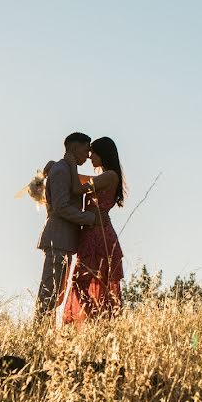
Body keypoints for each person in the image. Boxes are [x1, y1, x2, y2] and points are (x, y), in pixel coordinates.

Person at [62, 136, 125, 325]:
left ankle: (96, 320)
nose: (90, 157)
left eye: (93, 153)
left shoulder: (110, 176)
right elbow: (81, 180)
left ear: (103, 155)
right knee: (84, 283)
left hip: (99, 235)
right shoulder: (105, 177)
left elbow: (76, 188)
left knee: (83, 283)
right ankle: (96, 320)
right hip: (93, 233)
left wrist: (71, 163)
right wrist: (62, 168)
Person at [35, 132, 97, 317]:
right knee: (49, 293)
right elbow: (61, 207)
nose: (88, 155)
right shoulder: (61, 170)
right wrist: (89, 219)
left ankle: (46, 335)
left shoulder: (65, 168)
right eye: (86, 150)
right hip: (58, 239)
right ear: (74, 147)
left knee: (55, 295)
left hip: (64, 241)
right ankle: (39, 335)